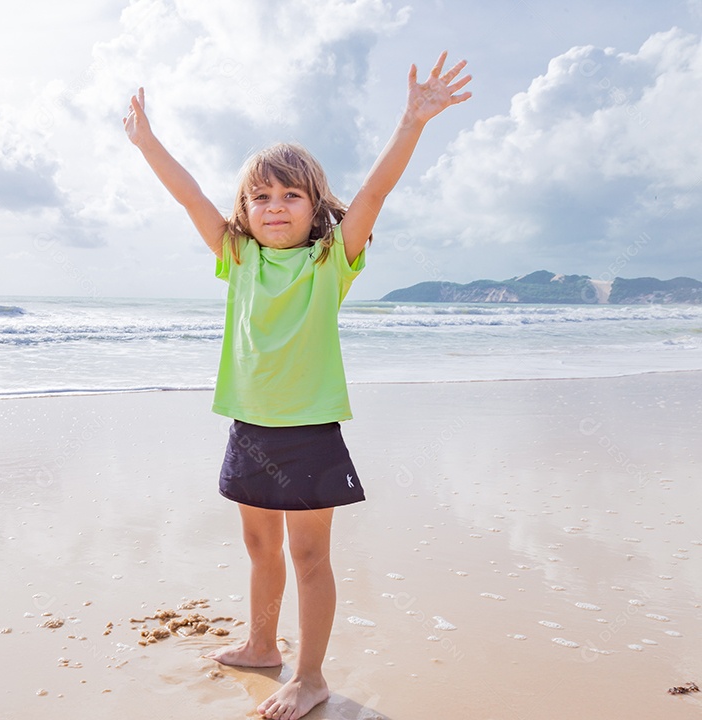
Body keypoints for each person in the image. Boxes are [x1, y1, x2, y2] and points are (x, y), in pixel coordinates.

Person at [123, 52, 472, 720]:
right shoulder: (239, 258)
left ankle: (309, 676)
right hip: (250, 428)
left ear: (314, 209)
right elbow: (190, 195)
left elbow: (372, 195)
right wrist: (146, 141)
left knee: (309, 557)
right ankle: (260, 643)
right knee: (259, 548)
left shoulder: (328, 261)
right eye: (261, 196)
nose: (274, 206)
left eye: (290, 195)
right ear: (245, 212)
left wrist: (412, 122)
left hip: (309, 432)